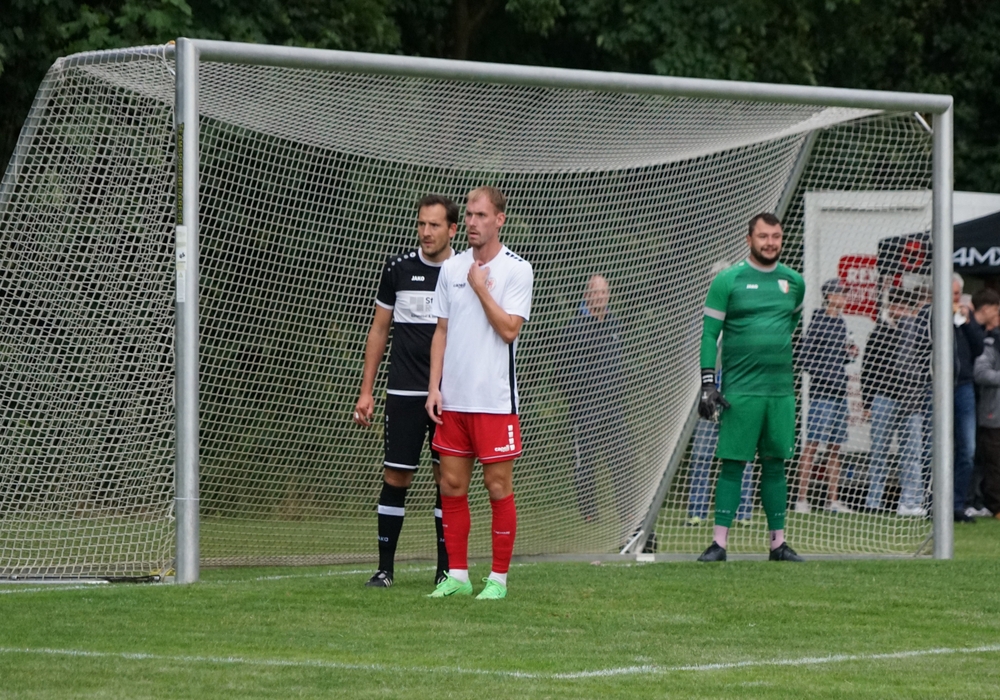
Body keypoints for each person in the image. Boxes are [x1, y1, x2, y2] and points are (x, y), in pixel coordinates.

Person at [425, 186, 533, 599]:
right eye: (469, 215)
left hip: (494, 402)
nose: (472, 222)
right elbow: (441, 330)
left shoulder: (517, 270)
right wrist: (434, 388)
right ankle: (457, 575)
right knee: (451, 485)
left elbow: (509, 330)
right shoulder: (450, 268)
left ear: (499, 220)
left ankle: (498, 580)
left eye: (481, 215)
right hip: (453, 401)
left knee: (497, 487)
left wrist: (481, 288)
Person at [353, 194, 458, 588]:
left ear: (452, 229)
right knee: (396, 477)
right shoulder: (398, 268)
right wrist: (367, 390)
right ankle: (385, 570)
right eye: (421, 224)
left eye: (434, 225)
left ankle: (446, 572)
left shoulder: (464, 272)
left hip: (450, 396)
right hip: (403, 393)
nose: (426, 232)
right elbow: (379, 329)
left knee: (447, 482)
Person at [696, 212, 806, 563]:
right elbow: (709, 335)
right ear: (749, 239)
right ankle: (718, 544)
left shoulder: (794, 282)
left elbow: (790, 323)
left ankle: (778, 545)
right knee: (732, 464)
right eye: (763, 236)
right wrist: (708, 383)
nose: (770, 243)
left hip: (780, 392)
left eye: (776, 236)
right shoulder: (728, 281)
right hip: (740, 391)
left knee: (776, 464)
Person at [553, 275, 638, 537]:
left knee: (621, 458)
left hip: (613, 407)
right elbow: (561, 371)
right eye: (596, 292)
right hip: (586, 408)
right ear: (587, 295)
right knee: (585, 461)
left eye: (604, 292)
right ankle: (589, 512)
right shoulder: (574, 327)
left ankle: (627, 511)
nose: (600, 297)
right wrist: (578, 399)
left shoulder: (614, 323)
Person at [795, 279, 858, 514]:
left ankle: (833, 501)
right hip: (822, 394)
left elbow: (839, 358)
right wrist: (827, 376)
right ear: (830, 296)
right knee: (812, 445)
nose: (845, 297)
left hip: (840, 394)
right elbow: (804, 358)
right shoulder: (818, 321)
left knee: (835, 448)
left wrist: (850, 354)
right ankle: (801, 500)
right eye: (841, 293)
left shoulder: (841, 322)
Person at [860, 287, 913, 512]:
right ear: (890, 307)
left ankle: (909, 502)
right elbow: (868, 368)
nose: (901, 311)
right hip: (883, 398)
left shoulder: (916, 332)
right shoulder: (880, 331)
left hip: (910, 400)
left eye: (906, 307)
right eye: (897, 306)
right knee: (879, 451)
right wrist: (867, 402)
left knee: (910, 452)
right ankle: (873, 501)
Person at [894, 285, 932, 517]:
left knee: (922, 449)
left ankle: (918, 498)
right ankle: (910, 500)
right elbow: (904, 362)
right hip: (914, 397)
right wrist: (924, 377)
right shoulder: (913, 324)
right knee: (913, 449)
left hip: (924, 395)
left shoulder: (929, 324)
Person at [952, 273, 985, 523]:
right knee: (934, 447)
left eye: (956, 294)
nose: (955, 299)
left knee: (967, 449)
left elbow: (979, 348)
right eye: (951, 294)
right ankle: (931, 503)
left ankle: (957, 504)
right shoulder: (929, 315)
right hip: (936, 387)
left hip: (963, 386)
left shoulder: (965, 317)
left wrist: (965, 322)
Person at [972, 288, 1000, 520]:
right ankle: (995, 506)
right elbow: (980, 372)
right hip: (992, 414)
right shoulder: (990, 344)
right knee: (992, 461)